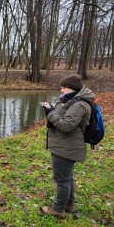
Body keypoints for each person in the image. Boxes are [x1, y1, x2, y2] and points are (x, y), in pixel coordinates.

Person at [40, 74, 95, 218]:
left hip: (66, 147)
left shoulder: (79, 104)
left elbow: (66, 126)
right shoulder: (71, 100)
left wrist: (50, 113)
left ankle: (58, 209)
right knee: (67, 177)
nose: (61, 90)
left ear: (72, 89)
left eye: (64, 88)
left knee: (62, 180)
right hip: (65, 145)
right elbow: (64, 117)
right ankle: (69, 204)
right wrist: (52, 108)